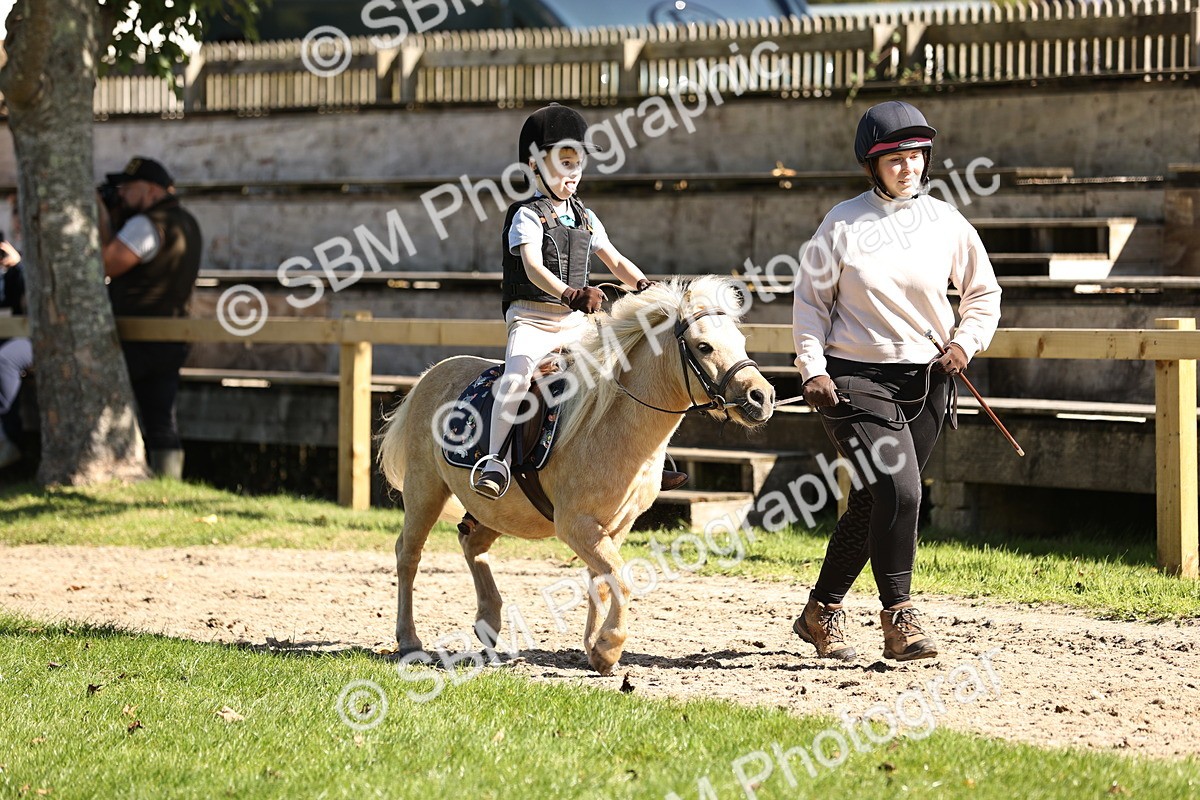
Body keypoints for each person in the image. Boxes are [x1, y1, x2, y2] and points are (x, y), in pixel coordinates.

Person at [791, 101, 1001, 662]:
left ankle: (820, 612)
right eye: (894, 159)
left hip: (928, 379)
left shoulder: (947, 222)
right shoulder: (841, 222)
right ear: (872, 165)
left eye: (915, 157)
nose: (907, 167)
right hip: (853, 379)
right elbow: (810, 304)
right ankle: (900, 618)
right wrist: (812, 369)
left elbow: (984, 293)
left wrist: (964, 342)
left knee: (871, 502)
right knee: (901, 491)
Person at [471, 103, 684, 499]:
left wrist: (646, 286)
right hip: (532, 321)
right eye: (565, 163)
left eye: (578, 165)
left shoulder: (587, 217)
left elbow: (616, 260)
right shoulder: (526, 216)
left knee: (630, 365)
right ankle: (495, 460)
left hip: (574, 325)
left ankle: (655, 459)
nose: (574, 174)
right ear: (535, 166)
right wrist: (570, 293)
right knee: (516, 378)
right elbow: (533, 267)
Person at [99, 156, 202, 479]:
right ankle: (167, 490)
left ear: (152, 190)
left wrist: (101, 217)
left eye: (130, 187)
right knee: (160, 419)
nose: (123, 194)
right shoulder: (186, 221)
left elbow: (107, 264)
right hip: (169, 337)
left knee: (108, 412)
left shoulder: (146, 224)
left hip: (136, 338)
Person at [0, 237, 30, 470]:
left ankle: (9, 441)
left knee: (5, 359)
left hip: (28, 338)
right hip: (11, 334)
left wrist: (19, 267)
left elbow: (24, 305)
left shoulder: (23, 269)